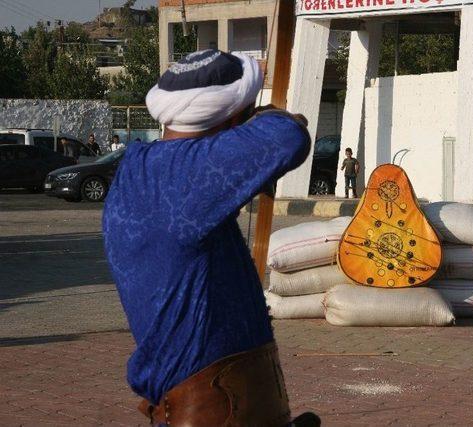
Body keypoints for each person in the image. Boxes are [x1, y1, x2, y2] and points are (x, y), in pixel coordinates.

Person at [103, 49, 317, 426]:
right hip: (214, 414)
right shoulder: (183, 175)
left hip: (228, 407)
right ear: (233, 117)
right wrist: (263, 118)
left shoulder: (145, 170)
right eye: (247, 112)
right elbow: (288, 135)